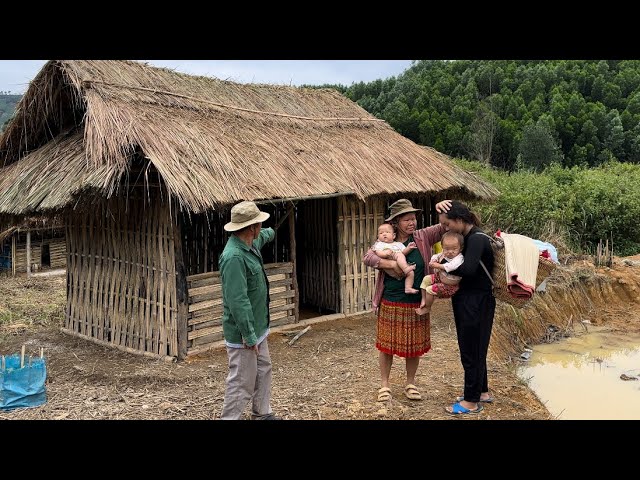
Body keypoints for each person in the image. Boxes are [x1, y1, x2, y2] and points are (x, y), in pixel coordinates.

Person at [363, 198, 450, 403]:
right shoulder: (386, 241)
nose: (412, 223)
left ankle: (410, 383)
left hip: (416, 300)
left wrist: (444, 207)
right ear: (395, 223)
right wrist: (389, 264)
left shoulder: (422, 236)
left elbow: (444, 226)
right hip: (391, 299)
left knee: (414, 345)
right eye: (407, 220)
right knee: (386, 345)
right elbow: (368, 258)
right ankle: (385, 385)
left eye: (414, 219)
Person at [218, 200, 281, 420]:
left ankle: (262, 413)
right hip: (245, 332)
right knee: (242, 381)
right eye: (259, 225)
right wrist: (248, 334)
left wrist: (273, 230)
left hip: (258, 325)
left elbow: (266, 236)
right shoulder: (234, 257)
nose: (260, 229)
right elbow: (237, 300)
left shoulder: (250, 244)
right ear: (252, 227)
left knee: (264, 369)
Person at [436, 199, 496, 415]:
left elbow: (469, 270)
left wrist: (441, 267)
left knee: (472, 350)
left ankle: (471, 402)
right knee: (475, 347)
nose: (445, 229)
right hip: (471, 300)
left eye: (447, 224)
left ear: (460, 220)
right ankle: (482, 392)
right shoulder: (468, 237)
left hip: (476, 302)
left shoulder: (477, 239)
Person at [415, 231, 465, 316]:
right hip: (440, 277)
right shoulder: (444, 253)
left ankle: (427, 308)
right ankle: (423, 299)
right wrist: (433, 260)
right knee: (426, 279)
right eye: (447, 249)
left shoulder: (459, 258)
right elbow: (437, 255)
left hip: (449, 286)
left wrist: (438, 265)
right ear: (442, 247)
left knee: (430, 289)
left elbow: (451, 266)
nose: (450, 251)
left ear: (460, 248)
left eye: (454, 249)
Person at [372, 222, 419, 295]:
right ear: (378, 236)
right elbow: (377, 253)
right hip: (389, 260)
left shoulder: (398, 244)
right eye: (381, 233)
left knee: (411, 273)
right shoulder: (379, 244)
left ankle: (408, 288)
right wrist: (385, 254)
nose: (384, 234)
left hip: (399, 263)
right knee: (399, 256)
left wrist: (409, 248)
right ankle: (406, 268)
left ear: (393, 236)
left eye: (387, 232)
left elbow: (403, 252)